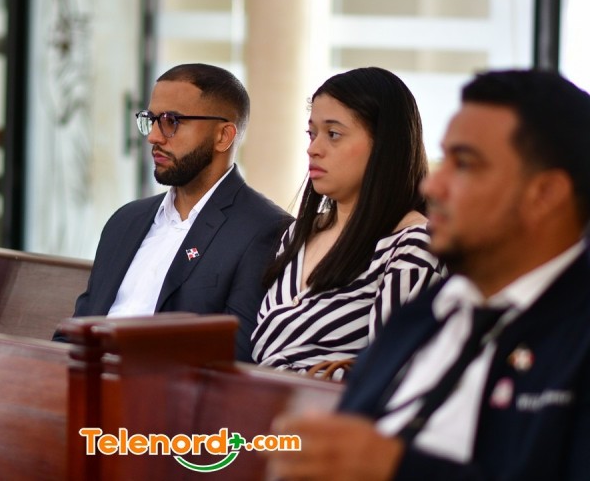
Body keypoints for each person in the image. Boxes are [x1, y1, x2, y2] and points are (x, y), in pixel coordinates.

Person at [267, 69, 590, 481]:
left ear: (544, 194)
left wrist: (394, 467)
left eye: (465, 163)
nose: (433, 186)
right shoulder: (430, 312)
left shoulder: (575, 333)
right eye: (444, 159)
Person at [52, 63, 292, 362]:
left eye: (171, 121)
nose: (153, 137)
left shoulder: (264, 230)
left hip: (159, 388)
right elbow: (75, 331)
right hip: (81, 380)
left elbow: (236, 357)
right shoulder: (126, 220)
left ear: (223, 136)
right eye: (151, 120)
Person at [251, 67, 445, 377]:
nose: (313, 149)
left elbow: (390, 377)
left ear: (384, 145)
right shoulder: (299, 233)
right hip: (261, 403)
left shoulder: (412, 245)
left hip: (329, 408)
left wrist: (312, 380)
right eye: (312, 134)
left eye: (333, 134)